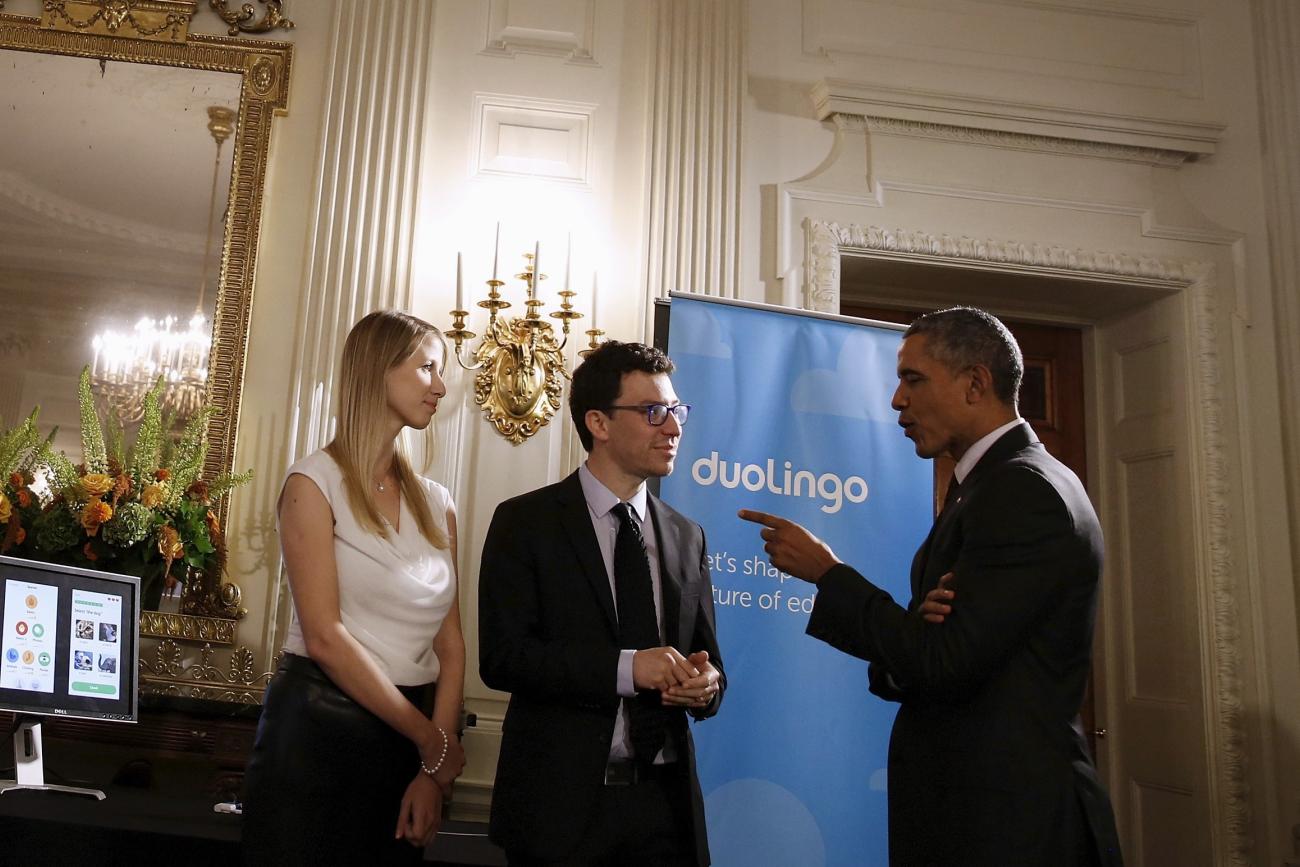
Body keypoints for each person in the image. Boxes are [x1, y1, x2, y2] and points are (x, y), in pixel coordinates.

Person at [740, 307, 1123, 867]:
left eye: (913, 379)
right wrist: (915, 639)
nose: (897, 400)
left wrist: (828, 573)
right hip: (976, 815)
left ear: (975, 383)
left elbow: (944, 660)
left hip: (1012, 827)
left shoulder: (1022, 491)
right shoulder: (987, 485)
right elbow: (932, 656)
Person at [479, 340, 725, 866]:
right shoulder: (526, 523)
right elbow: (503, 657)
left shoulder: (687, 536)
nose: (674, 428)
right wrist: (629, 669)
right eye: (653, 411)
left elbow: (709, 661)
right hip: (561, 811)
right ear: (599, 423)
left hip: (665, 810)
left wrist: (706, 685)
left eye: (676, 411)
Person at [242, 311, 466, 865]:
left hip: (409, 744)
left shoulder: (439, 503)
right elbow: (324, 637)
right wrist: (432, 743)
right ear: (376, 369)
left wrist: (431, 773)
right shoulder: (312, 483)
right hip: (319, 733)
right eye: (427, 369)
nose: (439, 386)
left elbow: (451, 644)